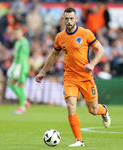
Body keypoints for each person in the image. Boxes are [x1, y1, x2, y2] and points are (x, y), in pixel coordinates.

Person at [35, 7, 111, 147]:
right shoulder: (60, 37)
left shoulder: (86, 33)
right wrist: (42, 72)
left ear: (76, 19)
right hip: (69, 77)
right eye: (66, 19)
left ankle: (104, 110)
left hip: (86, 77)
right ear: (63, 20)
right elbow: (53, 55)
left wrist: (93, 64)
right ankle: (79, 140)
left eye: (71, 18)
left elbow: (101, 50)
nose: (69, 21)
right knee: (71, 107)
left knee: (93, 110)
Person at [7, 27, 30, 114]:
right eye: (15, 34)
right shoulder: (17, 42)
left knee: (20, 85)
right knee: (11, 83)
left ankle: (22, 106)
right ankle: (24, 101)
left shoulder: (24, 42)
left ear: (21, 33)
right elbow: (16, 56)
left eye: (18, 33)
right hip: (17, 65)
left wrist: (18, 66)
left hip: (22, 66)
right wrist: (13, 66)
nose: (16, 35)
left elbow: (23, 56)